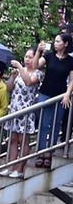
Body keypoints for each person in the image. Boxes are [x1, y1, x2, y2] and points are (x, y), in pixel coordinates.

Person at [34, 32, 73, 167]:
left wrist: (68, 93)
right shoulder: (49, 56)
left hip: (60, 95)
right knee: (44, 125)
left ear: (65, 44)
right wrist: (38, 52)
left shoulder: (70, 61)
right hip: (45, 93)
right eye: (55, 41)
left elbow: (72, 80)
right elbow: (36, 66)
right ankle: (40, 153)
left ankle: (49, 153)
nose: (55, 44)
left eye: (58, 41)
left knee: (56, 125)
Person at [2, 48, 43, 178]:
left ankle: (20, 168)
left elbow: (29, 82)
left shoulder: (38, 73)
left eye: (30, 57)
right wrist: (12, 78)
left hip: (26, 110)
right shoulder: (19, 72)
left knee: (23, 139)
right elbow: (8, 88)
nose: (27, 59)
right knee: (13, 139)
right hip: (14, 109)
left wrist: (20, 67)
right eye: (26, 57)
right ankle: (10, 167)